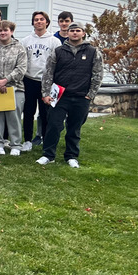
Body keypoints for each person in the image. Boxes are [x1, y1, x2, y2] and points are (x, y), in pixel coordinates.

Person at [39, 23, 103, 168]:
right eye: (71, 31)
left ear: (83, 33)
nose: (74, 33)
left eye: (77, 31)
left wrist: (91, 94)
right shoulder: (58, 51)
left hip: (81, 97)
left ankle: (71, 156)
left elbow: (98, 74)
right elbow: (48, 72)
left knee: (74, 128)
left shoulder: (93, 51)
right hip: (60, 96)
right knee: (53, 126)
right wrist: (45, 93)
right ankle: (48, 155)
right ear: (67, 33)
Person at [0, 21, 27, 156]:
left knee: (13, 117)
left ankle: (15, 144)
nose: (2, 33)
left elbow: (21, 68)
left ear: (12, 31)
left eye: (6, 30)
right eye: (0, 31)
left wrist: (6, 80)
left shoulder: (19, 48)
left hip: (15, 87)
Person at [22, 11, 60, 150]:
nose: (39, 21)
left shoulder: (54, 41)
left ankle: (44, 138)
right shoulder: (26, 40)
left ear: (47, 22)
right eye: (36, 19)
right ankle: (27, 140)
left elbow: (57, 62)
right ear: (33, 22)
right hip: (29, 79)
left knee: (45, 113)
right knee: (28, 111)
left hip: (46, 82)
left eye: (41, 19)